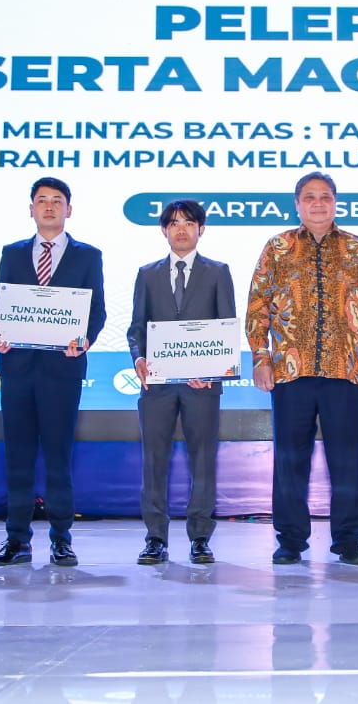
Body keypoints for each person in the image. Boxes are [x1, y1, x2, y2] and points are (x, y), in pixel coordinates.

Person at [245, 172, 358, 565]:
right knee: (290, 460)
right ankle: (290, 540)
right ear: (297, 204)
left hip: (345, 370)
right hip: (291, 371)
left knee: (348, 460)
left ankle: (348, 540)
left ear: (335, 202)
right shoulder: (278, 247)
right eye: (310, 197)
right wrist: (260, 358)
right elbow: (258, 306)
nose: (318, 203)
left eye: (325, 196)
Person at [0, 177, 105, 568]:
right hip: (17, 368)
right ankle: (16, 540)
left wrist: (83, 338)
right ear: (31, 208)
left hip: (62, 370)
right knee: (17, 457)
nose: (49, 206)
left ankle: (61, 539)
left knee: (58, 457)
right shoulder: (13, 253)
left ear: (69, 209)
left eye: (56, 200)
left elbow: (96, 310)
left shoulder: (89, 256)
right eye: (41, 200)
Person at [127, 199, 236, 565]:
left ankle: (200, 538)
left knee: (202, 460)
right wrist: (139, 358)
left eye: (189, 223)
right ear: (164, 230)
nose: (181, 229)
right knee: (154, 461)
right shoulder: (147, 274)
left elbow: (226, 327)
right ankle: (155, 538)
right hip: (156, 386)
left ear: (200, 229)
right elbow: (136, 328)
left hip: (202, 386)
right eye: (174, 223)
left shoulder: (218, 272)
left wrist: (213, 370)